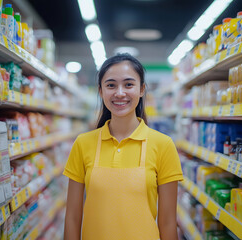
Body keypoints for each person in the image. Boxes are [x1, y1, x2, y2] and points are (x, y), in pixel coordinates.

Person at [63, 53, 183, 240]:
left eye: (128, 84)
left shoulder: (163, 145)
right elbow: (72, 217)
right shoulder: (83, 144)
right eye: (111, 85)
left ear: (142, 89)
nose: (120, 93)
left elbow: (167, 221)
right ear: (101, 91)